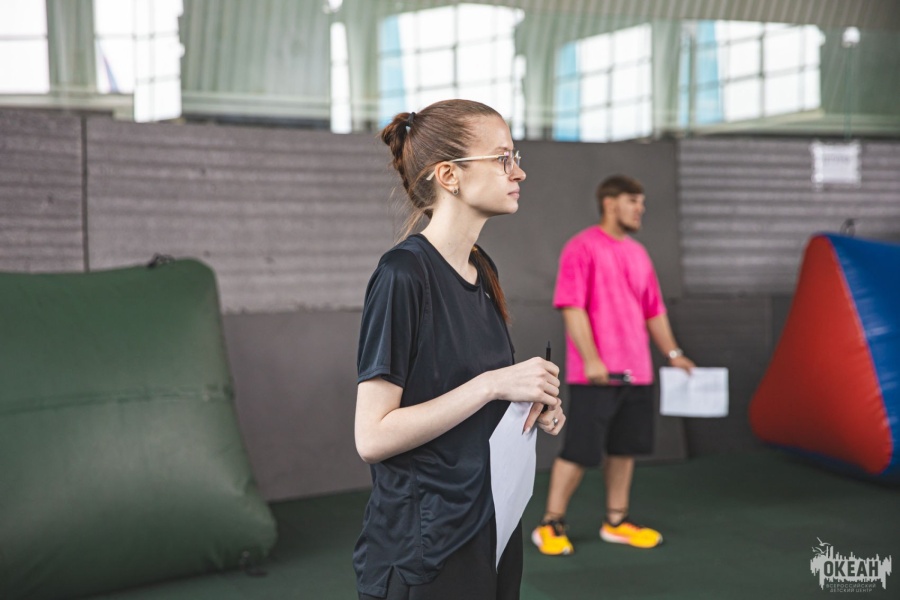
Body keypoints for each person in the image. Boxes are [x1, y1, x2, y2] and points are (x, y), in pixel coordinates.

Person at [354, 99, 566, 600]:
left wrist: (527, 404)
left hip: (491, 521)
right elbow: (372, 436)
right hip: (426, 546)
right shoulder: (402, 275)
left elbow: (464, 399)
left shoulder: (481, 268)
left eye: (515, 157)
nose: (519, 172)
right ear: (449, 175)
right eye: (502, 158)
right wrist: (493, 384)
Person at [531, 174, 695, 556]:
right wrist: (592, 360)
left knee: (624, 449)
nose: (641, 209)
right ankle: (550, 523)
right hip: (596, 376)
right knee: (579, 451)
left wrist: (673, 354)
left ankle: (616, 522)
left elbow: (654, 310)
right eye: (633, 201)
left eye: (642, 202)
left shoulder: (639, 253)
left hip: (638, 372)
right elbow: (572, 307)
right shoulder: (581, 247)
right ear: (610, 203)